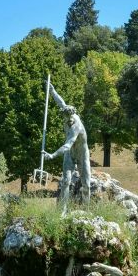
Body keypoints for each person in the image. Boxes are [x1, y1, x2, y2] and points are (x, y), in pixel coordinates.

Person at [43, 81, 90, 210]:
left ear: (73, 116)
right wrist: (52, 91)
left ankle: (86, 210)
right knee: (65, 181)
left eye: (70, 119)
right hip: (70, 154)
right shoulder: (66, 113)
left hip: (81, 153)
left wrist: (52, 155)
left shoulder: (76, 126)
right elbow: (61, 102)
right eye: (66, 119)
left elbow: (67, 145)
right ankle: (62, 211)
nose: (69, 121)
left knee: (86, 184)